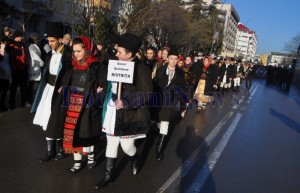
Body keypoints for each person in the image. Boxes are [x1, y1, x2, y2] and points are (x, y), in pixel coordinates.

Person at [95, 33, 153, 189]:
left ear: (130, 54)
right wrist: (102, 88)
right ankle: (109, 176)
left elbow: (147, 92)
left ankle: (134, 158)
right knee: (111, 142)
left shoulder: (142, 69)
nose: (117, 54)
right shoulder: (115, 63)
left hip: (130, 113)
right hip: (113, 108)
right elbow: (110, 83)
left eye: (120, 52)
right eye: (117, 51)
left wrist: (127, 102)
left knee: (126, 146)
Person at [54, 36, 107, 174]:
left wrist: (98, 95)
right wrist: (63, 87)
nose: (75, 54)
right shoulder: (73, 65)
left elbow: (105, 85)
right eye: (74, 51)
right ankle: (77, 163)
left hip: (88, 106)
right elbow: (67, 80)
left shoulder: (97, 66)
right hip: (72, 105)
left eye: (78, 51)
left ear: (87, 50)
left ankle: (90, 157)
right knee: (72, 133)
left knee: (86, 133)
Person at [31, 22, 72, 163]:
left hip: (61, 91)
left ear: (60, 40)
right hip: (49, 89)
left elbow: (70, 72)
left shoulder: (68, 54)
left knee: (58, 119)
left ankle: (61, 149)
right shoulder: (49, 54)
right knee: (47, 118)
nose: (50, 43)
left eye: (52, 41)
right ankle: (50, 151)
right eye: (49, 41)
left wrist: (64, 86)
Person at [152, 46, 187, 160]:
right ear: (168, 58)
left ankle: (159, 150)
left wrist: (179, 100)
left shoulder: (180, 73)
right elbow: (155, 83)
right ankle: (158, 138)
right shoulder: (160, 69)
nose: (173, 61)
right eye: (171, 58)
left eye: (176, 59)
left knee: (164, 125)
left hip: (169, 103)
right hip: (159, 101)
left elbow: (182, 89)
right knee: (158, 124)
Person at [7, 30, 28, 109]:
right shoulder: (11, 46)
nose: (22, 38)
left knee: (23, 87)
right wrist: (14, 68)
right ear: (16, 37)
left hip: (23, 69)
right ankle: (12, 104)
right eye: (20, 36)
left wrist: (25, 65)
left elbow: (24, 56)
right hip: (15, 70)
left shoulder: (22, 45)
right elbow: (11, 59)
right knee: (13, 88)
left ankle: (23, 103)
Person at [27, 33, 44, 105]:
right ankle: (31, 101)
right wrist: (42, 63)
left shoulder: (35, 46)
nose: (39, 40)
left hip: (35, 69)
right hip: (34, 70)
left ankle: (32, 101)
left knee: (33, 86)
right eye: (37, 39)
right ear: (34, 40)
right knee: (33, 87)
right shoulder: (32, 47)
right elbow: (35, 58)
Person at [0, 36, 11, 112]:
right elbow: (1, 59)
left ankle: (2, 105)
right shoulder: (1, 48)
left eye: (7, 42)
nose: (6, 44)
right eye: (5, 42)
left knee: (4, 91)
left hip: (6, 74)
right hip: (1, 74)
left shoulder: (6, 49)